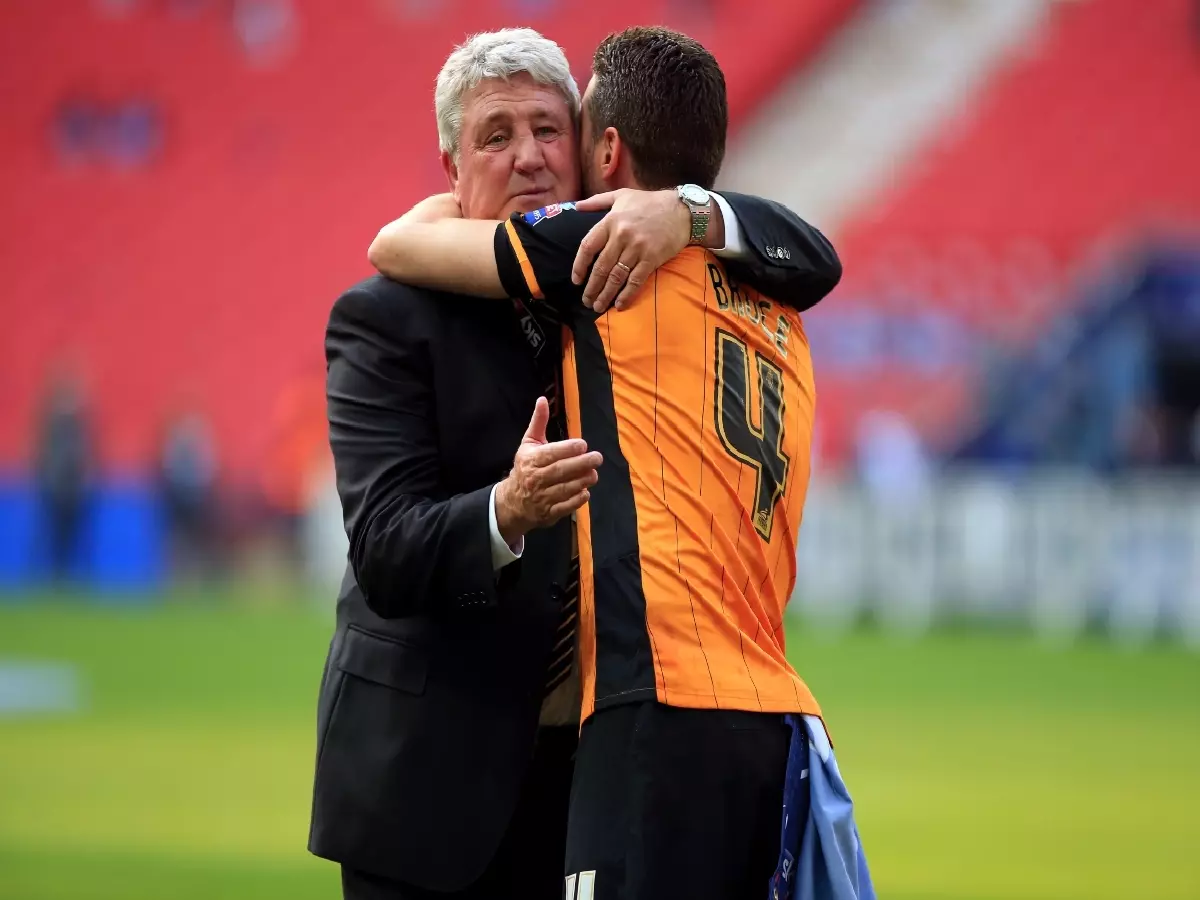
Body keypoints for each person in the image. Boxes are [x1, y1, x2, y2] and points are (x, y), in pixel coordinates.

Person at [311, 27, 841, 900]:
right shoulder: (386, 318)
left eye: (547, 130)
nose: (528, 156)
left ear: (594, 149)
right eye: (496, 135)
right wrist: (504, 512)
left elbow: (810, 251)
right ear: (451, 167)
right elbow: (384, 548)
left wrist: (687, 210)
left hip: (591, 775)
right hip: (428, 786)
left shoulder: (624, 278)